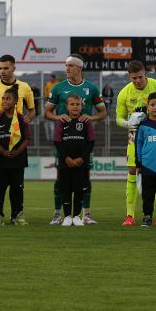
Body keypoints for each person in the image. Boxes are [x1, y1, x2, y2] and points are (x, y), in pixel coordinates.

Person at [45, 54, 108, 225]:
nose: (67, 69)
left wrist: (91, 118)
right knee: (61, 178)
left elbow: (103, 112)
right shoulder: (58, 88)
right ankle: (58, 214)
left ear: (80, 68)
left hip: (83, 141)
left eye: (70, 66)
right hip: (64, 141)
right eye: (66, 65)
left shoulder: (92, 88)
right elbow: (47, 112)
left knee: (85, 177)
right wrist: (58, 118)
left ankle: (85, 214)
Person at [0, 55, 36, 224]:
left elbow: (32, 111)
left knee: (16, 178)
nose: (2, 72)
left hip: (17, 139)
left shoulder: (25, 88)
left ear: (13, 68)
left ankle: (16, 214)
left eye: (5, 68)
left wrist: (26, 120)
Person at [115, 60, 156, 226]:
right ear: (129, 76)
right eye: (134, 78)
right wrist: (127, 123)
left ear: (145, 73)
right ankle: (130, 216)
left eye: (140, 77)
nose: (137, 81)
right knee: (132, 170)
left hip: (155, 134)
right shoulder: (124, 93)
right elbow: (118, 117)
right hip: (135, 136)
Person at [0, 86, 30, 226]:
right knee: (0, 189)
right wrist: (2, 151)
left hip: (18, 161)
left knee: (17, 189)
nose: (4, 101)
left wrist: (17, 152)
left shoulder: (21, 119)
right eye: (3, 99)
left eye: (8, 99)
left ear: (16, 101)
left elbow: (26, 139)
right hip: (2, 160)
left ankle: (17, 215)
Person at [53, 94, 95, 227]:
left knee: (79, 189)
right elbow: (57, 141)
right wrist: (66, 158)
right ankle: (67, 217)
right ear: (67, 106)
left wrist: (82, 158)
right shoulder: (62, 121)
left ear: (82, 106)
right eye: (72, 104)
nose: (75, 107)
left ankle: (77, 216)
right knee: (65, 189)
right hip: (65, 163)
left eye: (77, 104)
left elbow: (91, 141)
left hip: (81, 163)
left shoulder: (86, 122)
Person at [134, 92, 156, 227]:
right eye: (152, 105)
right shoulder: (143, 125)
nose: (155, 107)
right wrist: (138, 163)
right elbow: (138, 145)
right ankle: (147, 216)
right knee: (147, 194)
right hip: (148, 166)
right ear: (147, 107)